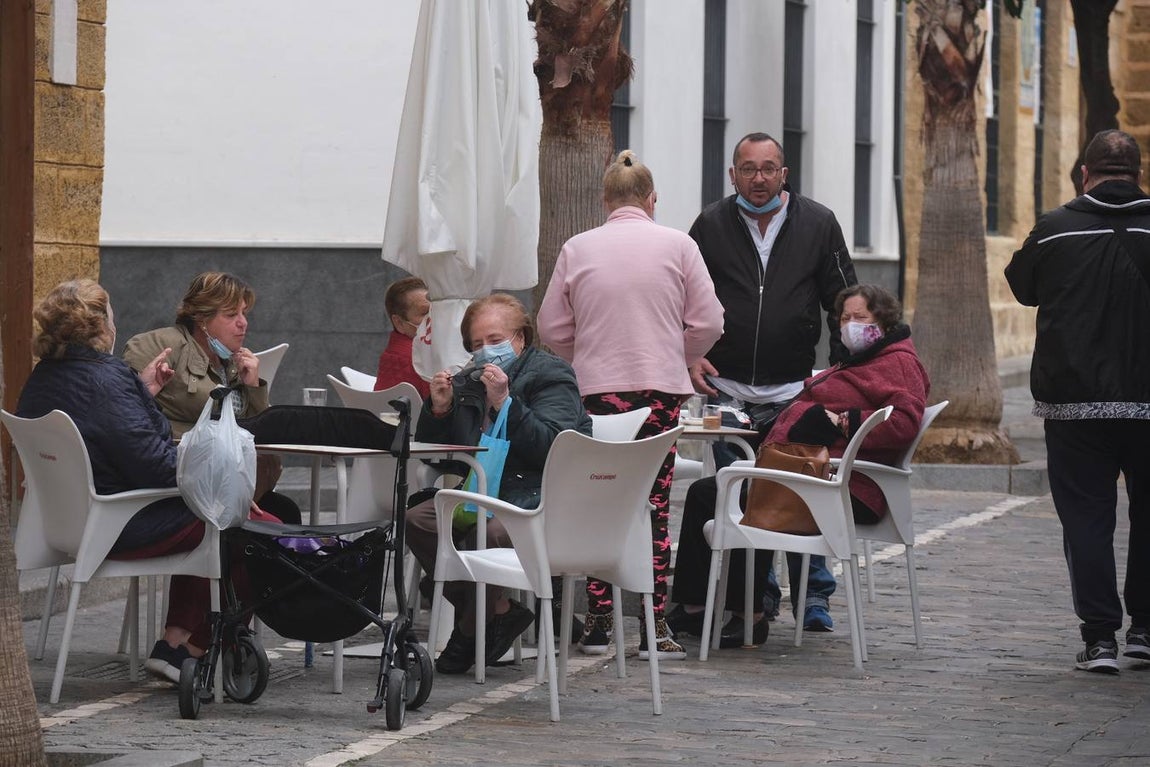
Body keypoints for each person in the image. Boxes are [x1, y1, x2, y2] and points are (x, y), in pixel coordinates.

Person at [15, 280, 283, 683]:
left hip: (70, 522)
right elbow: (156, 466)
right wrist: (222, 489)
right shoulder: (107, 380)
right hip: (118, 522)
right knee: (255, 527)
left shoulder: (43, 378)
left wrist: (141, 392)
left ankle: (173, 643)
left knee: (217, 515)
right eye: (111, 317)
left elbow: (102, 430)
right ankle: (195, 649)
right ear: (100, 326)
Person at [538, 150, 725, 660]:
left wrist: (589, 353)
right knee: (654, 503)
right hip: (660, 392)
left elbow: (551, 327)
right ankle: (653, 624)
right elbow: (709, 322)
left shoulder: (578, 247)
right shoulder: (678, 245)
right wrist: (679, 354)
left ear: (604, 201)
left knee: (601, 497)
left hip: (595, 391)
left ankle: (598, 621)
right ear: (652, 199)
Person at [670, 284, 929, 646]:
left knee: (747, 496)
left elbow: (902, 423)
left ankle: (750, 616)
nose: (850, 325)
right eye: (844, 318)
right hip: (813, 475)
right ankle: (695, 606)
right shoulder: (863, 360)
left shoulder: (897, 363)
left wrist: (841, 422)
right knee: (705, 492)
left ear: (883, 322)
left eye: (860, 318)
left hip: (842, 487)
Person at [681, 131, 857, 634]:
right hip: (728, 392)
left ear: (784, 174)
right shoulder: (709, 226)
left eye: (768, 168)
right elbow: (685, 300)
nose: (758, 179)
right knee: (738, 500)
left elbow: (844, 300)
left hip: (794, 394)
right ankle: (752, 601)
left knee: (802, 494)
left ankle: (813, 596)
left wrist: (838, 375)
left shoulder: (819, 223)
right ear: (732, 174)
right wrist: (690, 356)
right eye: (748, 168)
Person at [1005, 128, 1150, 674]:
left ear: (1084, 173)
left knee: (1087, 520)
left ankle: (1100, 639)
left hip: (1074, 405)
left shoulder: (1055, 228)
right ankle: (1145, 631)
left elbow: (1023, 287)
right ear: (1137, 172)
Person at [405, 293, 593, 674]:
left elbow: (553, 447)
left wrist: (507, 401)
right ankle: (499, 610)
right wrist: (439, 409)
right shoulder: (469, 379)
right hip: (483, 491)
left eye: (495, 340)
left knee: (488, 535)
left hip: (540, 494)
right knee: (418, 519)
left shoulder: (550, 375)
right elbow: (438, 456)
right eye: (476, 345)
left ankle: (471, 631)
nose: (486, 351)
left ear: (520, 338)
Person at [122, 271, 300, 525]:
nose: (243, 323)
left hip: (228, 479)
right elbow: (130, 408)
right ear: (202, 318)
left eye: (244, 314)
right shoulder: (163, 345)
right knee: (274, 520)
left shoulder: (232, 362)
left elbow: (257, 435)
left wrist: (253, 387)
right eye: (231, 315)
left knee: (286, 509)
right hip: (183, 482)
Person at [374, 276, 431, 398]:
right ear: (399, 323)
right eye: (424, 313)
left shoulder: (393, 353)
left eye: (436, 310)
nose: (434, 318)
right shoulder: (420, 359)